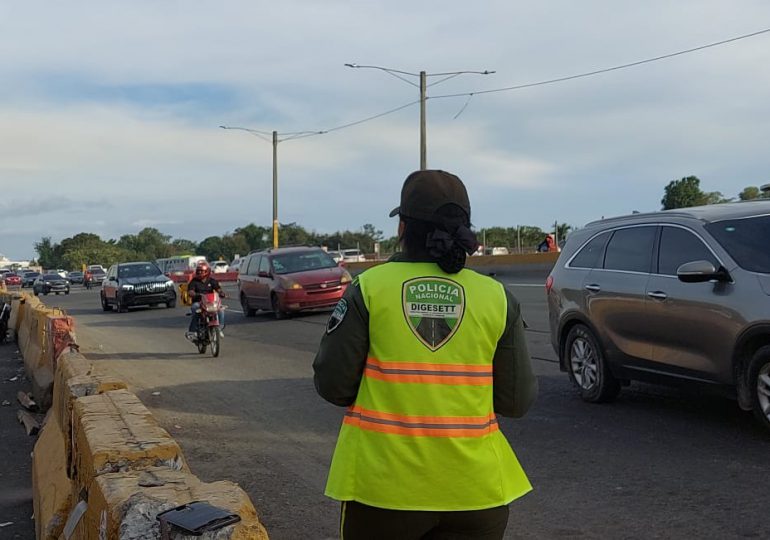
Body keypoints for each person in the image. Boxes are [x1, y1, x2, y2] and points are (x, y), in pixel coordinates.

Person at [313, 169, 538, 540]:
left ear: (403, 228)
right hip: (476, 494)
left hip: (382, 493)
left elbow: (333, 385)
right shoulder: (496, 297)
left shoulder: (369, 289)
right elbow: (516, 400)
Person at [185, 261, 225, 338]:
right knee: (195, 309)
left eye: (202, 271)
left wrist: (221, 293)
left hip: (211, 302)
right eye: (198, 271)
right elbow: (191, 291)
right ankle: (192, 331)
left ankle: (220, 328)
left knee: (221, 310)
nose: (200, 273)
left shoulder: (212, 281)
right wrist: (193, 294)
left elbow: (218, 289)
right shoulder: (194, 282)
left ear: (207, 271)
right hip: (199, 302)